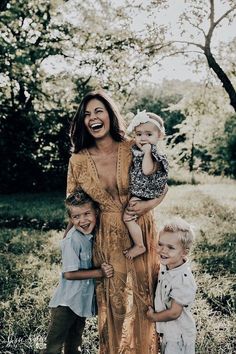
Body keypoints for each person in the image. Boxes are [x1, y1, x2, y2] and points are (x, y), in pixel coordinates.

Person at [66, 90, 168, 354]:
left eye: (99, 111)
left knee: (145, 295)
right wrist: (68, 244)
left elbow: (161, 184)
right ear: (82, 121)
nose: (93, 117)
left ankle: (145, 349)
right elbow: (73, 204)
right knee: (116, 301)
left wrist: (147, 205)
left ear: (110, 116)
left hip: (140, 226)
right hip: (107, 236)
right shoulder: (77, 160)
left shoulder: (132, 146)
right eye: (87, 114)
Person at [44, 188, 114, 354]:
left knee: (74, 344)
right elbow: (69, 274)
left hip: (80, 302)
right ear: (70, 219)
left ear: (96, 212)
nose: (82, 220)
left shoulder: (90, 235)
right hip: (66, 303)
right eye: (76, 217)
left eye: (86, 214)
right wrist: (100, 273)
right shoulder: (73, 239)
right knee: (53, 346)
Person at [146, 218, 197, 354]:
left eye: (171, 247)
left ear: (184, 252)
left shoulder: (182, 279)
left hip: (179, 334)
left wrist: (154, 317)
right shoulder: (167, 265)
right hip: (169, 331)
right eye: (161, 244)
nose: (163, 250)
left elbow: (175, 312)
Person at [123, 110, 168, 260]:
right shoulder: (140, 150)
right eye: (139, 134)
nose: (143, 138)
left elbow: (147, 170)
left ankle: (139, 245)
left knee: (128, 217)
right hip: (143, 190)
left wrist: (147, 153)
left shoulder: (153, 153)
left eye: (149, 134)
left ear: (159, 136)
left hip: (146, 192)